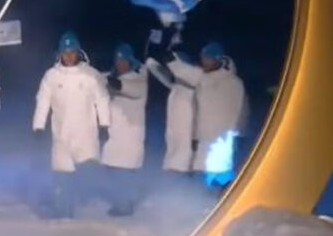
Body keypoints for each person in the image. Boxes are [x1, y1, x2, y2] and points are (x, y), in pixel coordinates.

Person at [32, 31, 111, 219]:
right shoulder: (52, 76)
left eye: (72, 52)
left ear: (78, 53)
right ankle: (64, 212)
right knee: (62, 174)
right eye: (65, 52)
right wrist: (38, 125)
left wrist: (104, 124)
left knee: (88, 170)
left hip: (85, 134)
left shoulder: (90, 75)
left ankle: (91, 195)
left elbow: (102, 100)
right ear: (60, 53)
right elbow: (43, 101)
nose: (68, 56)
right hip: (61, 135)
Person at [150, 38, 248, 176]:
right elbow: (186, 73)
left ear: (217, 59)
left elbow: (242, 109)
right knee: (201, 174)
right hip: (204, 138)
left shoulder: (231, 82)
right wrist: (171, 61)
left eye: (207, 59)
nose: (204, 62)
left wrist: (240, 133)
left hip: (221, 139)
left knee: (217, 174)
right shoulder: (205, 77)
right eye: (202, 58)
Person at [101, 43, 149, 216]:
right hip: (115, 136)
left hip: (130, 136)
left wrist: (112, 82)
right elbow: (99, 78)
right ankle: (121, 202)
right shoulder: (114, 78)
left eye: (123, 60)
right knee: (112, 170)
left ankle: (125, 206)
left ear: (130, 61)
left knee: (124, 173)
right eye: (118, 60)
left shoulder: (138, 79)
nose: (120, 64)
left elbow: (129, 88)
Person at [146, 49, 195, 174]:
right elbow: (160, 73)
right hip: (173, 155)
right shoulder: (176, 88)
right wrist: (152, 63)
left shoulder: (192, 91)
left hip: (187, 158)